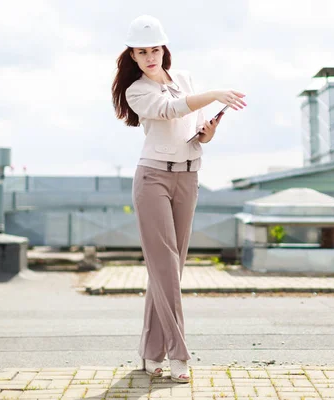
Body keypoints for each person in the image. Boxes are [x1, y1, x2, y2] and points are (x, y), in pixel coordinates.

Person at [111, 15, 247, 383]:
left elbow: (195, 128)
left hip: (188, 176)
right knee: (166, 267)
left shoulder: (183, 79)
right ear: (134, 56)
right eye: (143, 51)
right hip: (153, 178)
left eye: (155, 49)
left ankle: (150, 352)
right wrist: (216, 93)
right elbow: (172, 109)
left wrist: (208, 131)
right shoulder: (136, 91)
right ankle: (178, 355)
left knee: (170, 270)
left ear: (163, 48)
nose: (151, 56)